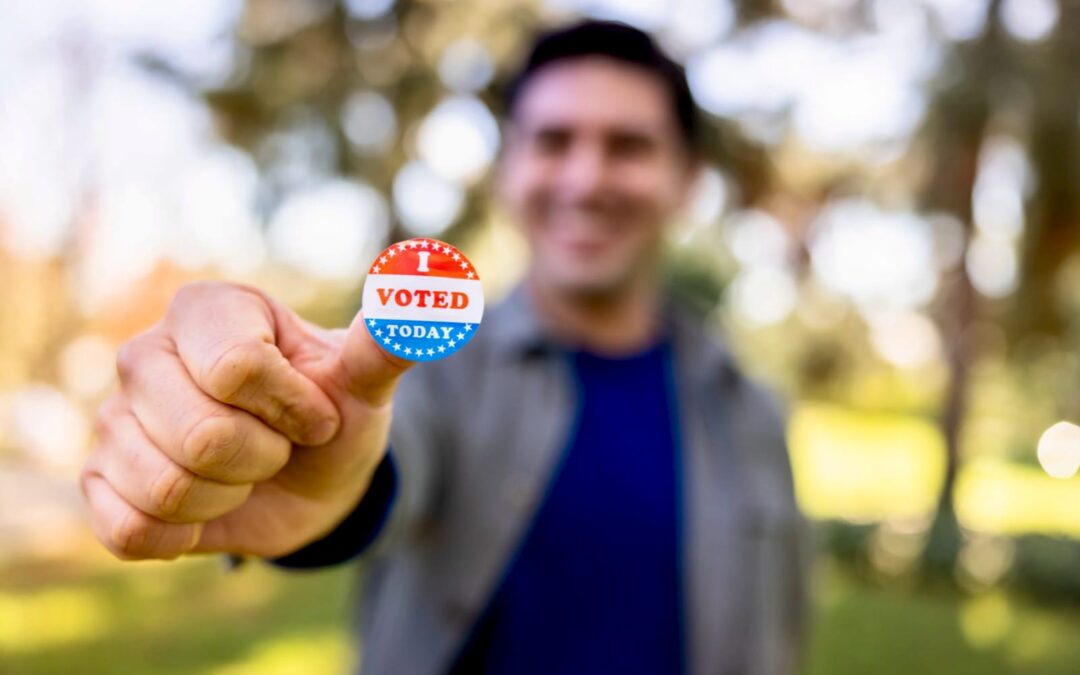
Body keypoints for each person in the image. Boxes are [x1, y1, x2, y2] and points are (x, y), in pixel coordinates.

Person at [81, 20, 809, 675]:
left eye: (629, 146)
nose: (586, 180)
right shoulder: (432, 370)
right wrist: (324, 477)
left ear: (685, 182)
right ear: (508, 174)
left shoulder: (747, 408)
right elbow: (388, 457)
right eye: (553, 141)